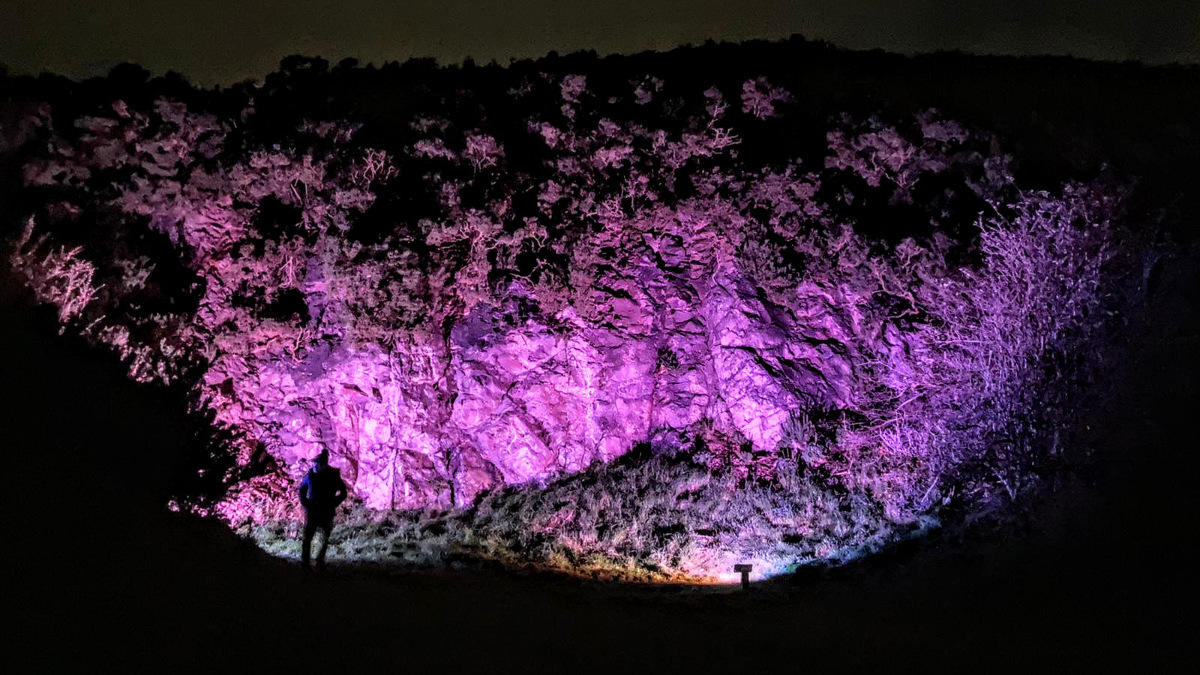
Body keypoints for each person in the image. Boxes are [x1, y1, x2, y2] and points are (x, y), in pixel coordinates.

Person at [297, 448, 347, 570]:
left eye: (316, 463)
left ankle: (319, 560)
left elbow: (343, 492)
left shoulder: (333, 475)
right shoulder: (311, 475)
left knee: (325, 536)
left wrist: (334, 502)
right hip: (313, 509)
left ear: (322, 464)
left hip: (325, 509)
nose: (314, 465)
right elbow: (302, 490)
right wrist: (306, 503)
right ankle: (305, 563)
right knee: (308, 536)